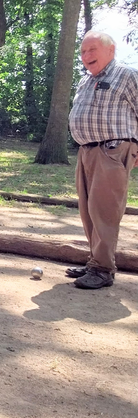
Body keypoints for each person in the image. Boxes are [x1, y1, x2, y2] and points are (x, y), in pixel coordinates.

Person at [67, 30, 138, 289]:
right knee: (88, 211)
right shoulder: (86, 81)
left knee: (105, 210)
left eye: (92, 50)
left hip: (113, 149)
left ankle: (103, 269)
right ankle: (95, 262)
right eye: (83, 52)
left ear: (111, 49)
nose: (86, 56)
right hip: (87, 151)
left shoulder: (127, 76)